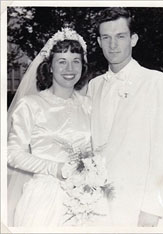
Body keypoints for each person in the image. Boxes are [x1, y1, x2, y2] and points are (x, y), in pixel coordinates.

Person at [7, 27, 111, 226]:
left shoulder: (89, 105)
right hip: (45, 198)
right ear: (51, 67)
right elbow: (12, 153)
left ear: (83, 65)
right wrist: (55, 168)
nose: (69, 69)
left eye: (75, 61)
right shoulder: (30, 105)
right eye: (62, 62)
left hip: (88, 198)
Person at [87, 7, 163, 227]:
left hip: (141, 209)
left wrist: (151, 209)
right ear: (99, 42)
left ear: (134, 39)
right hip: (101, 207)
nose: (113, 45)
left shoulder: (156, 82)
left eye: (120, 36)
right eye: (106, 38)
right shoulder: (94, 86)